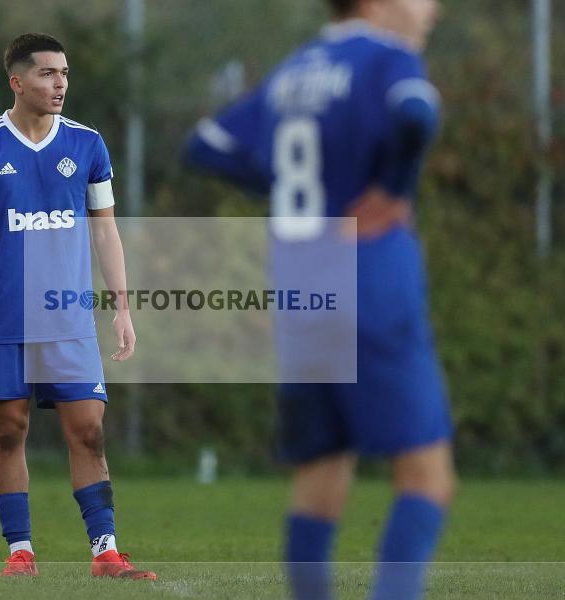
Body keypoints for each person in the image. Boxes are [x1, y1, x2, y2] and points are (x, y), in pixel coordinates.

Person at [185, 1, 454, 598]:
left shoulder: (293, 70)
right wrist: (393, 189)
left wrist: (284, 189)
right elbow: (417, 114)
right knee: (426, 478)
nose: (433, 7)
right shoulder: (389, 58)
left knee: (322, 470)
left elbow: (205, 145)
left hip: (301, 281)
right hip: (367, 271)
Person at [0, 33, 155, 581]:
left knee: (88, 430)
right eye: (46, 74)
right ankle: (20, 553)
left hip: (69, 319)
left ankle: (105, 552)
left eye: (64, 73)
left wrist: (122, 308)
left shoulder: (87, 144)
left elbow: (106, 233)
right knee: (9, 431)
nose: (59, 83)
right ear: (17, 81)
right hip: (5, 318)